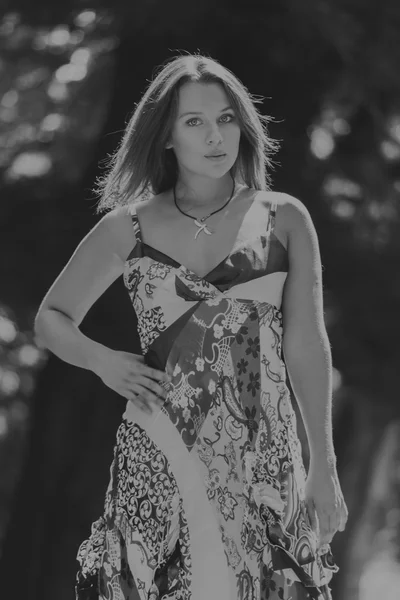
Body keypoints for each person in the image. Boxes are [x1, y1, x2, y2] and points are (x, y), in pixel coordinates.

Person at [34, 53, 348, 600]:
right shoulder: (126, 228)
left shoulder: (284, 218)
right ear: (166, 136)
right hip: (157, 452)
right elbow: (50, 319)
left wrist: (324, 461)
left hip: (263, 455)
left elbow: (306, 344)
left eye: (226, 118)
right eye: (195, 122)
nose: (215, 136)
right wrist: (104, 362)